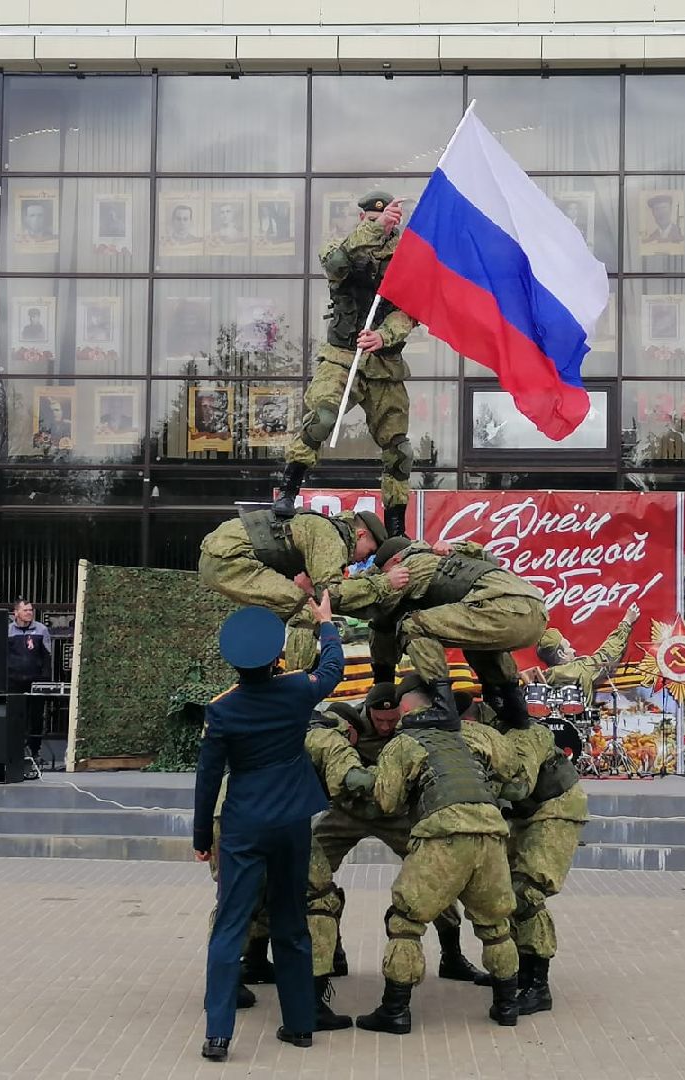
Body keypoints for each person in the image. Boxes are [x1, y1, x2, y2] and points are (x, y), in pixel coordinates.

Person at [192, 598, 344, 1062]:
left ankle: (219, 1034)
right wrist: (326, 624)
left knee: (231, 926)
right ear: (276, 656)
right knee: (291, 922)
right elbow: (333, 668)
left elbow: (208, 779)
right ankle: (299, 1025)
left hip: (243, 825)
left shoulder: (222, 711)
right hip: (292, 822)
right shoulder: (298, 689)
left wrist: (202, 838)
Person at [355, 675, 526, 1035]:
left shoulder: (405, 742)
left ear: (405, 706)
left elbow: (387, 802)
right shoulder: (474, 732)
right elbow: (512, 768)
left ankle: (395, 1010)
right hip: (491, 832)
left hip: (443, 835)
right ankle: (507, 1005)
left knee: (406, 922)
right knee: (496, 926)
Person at [307, 682, 487, 1014]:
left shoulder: (411, 727)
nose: (388, 726)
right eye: (381, 720)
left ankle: (452, 955)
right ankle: (331, 951)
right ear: (368, 711)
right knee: (311, 875)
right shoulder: (349, 723)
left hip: (395, 815)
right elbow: (325, 731)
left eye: (394, 720)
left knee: (435, 876)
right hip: (347, 813)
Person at [276, 191, 419, 537]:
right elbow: (336, 264)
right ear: (361, 220)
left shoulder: (409, 259)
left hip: (384, 365)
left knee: (399, 449)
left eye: (384, 221)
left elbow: (410, 311)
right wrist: (375, 231)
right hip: (341, 358)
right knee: (322, 417)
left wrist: (383, 336)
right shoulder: (341, 246)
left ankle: (395, 525)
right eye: (371, 220)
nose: (378, 225)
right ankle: (289, 491)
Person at [472, 689, 590, 1015]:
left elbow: (519, 785)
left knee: (526, 893)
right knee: (504, 890)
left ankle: (537, 986)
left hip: (557, 808)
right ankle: (516, 970)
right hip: (525, 813)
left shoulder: (527, 734)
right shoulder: (493, 735)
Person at [363, 537, 548, 732]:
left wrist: (330, 598)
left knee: (414, 625)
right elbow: (490, 558)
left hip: (505, 607)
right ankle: (514, 710)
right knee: (477, 644)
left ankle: (443, 708)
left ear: (396, 561)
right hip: (532, 609)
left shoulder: (413, 567)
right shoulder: (446, 559)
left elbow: (371, 602)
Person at [198, 507, 398, 671]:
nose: (365, 558)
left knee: (284, 606)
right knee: (307, 607)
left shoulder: (323, 528)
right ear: (360, 535)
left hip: (221, 555)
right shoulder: (330, 536)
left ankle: (262, 672)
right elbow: (332, 596)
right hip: (229, 560)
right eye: (370, 551)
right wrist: (385, 584)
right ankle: (296, 685)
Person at [535, 604, 640, 706]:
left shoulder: (541, 678)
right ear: (561, 654)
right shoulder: (580, 669)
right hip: (578, 722)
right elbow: (607, 654)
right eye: (568, 646)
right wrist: (626, 622)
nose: (574, 650)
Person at [7, 599, 53, 763]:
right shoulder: (8, 631)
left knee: (36, 717)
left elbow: (47, 655)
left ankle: (35, 752)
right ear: (16, 613)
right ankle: (15, 751)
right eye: (25, 610)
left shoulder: (41, 629)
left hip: (35, 681)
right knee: (15, 716)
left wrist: (45, 679)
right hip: (13, 681)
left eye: (30, 610)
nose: (29, 613)